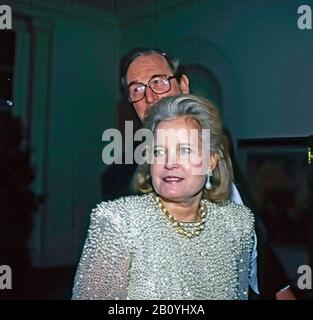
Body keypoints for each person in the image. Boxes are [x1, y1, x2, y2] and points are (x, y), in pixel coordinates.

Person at [118, 48, 295, 299]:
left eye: (157, 82)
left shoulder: (218, 141)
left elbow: (248, 219)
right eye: (137, 89)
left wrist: (281, 288)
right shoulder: (120, 183)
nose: (149, 96)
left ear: (183, 84)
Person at [72, 94, 255, 299]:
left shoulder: (237, 224)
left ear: (210, 161)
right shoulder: (119, 222)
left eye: (184, 150)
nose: (169, 163)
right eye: (159, 151)